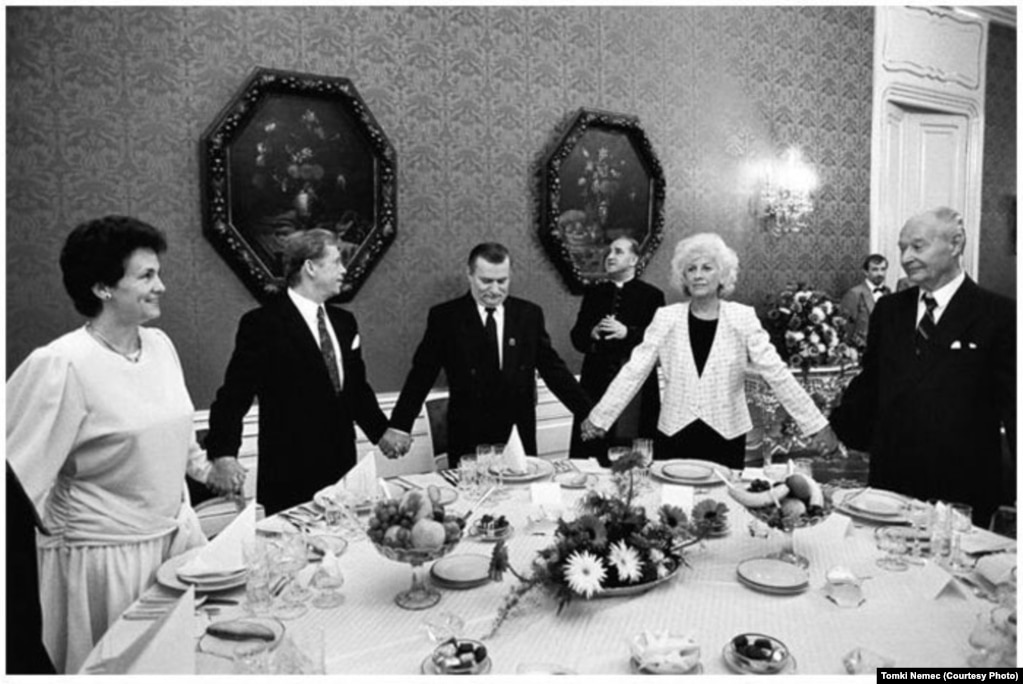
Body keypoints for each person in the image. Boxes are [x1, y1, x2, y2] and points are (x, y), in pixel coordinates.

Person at [5, 216, 240, 673]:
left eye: (158, 273)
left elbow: (179, 435)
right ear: (102, 288)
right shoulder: (61, 364)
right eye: (146, 275)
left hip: (177, 544)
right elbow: (14, 479)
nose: (162, 286)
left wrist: (208, 471)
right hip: (107, 564)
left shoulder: (159, 345)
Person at [580, 233, 839, 469]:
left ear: (722, 276)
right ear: (683, 277)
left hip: (726, 435)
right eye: (690, 269)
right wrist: (600, 417)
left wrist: (817, 425)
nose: (698, 275)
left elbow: (777, 373)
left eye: (707, 267)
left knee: (721, 513)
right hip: (674, 434)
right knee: (674, 512)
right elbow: (634, 371)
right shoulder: (666, 317)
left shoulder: (742, 317)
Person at [829, 208, 1015, 524]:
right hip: (890, 483)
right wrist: (834, 429)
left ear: (955, 244)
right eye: (902, 248)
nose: (906, 257)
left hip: (961, 489)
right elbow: (872, 382)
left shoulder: (1001, 314)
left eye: (918, 246)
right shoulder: (889, 310)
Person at [205, 229, 392, 516]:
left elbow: (355, 390)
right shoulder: (262, 324)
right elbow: (234, 395)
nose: (344, 270)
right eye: (337, 262)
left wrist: (382, 433)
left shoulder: (344, 322)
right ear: (310, 267)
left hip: (343, 466)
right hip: (290, 472)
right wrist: (223, 453)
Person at [381, 242, 592, 467]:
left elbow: (554, 370)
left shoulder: (528, 315)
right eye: (486, 281)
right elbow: (421, 375)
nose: (494, 290)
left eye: (502, 281)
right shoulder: (446, 317)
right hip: (468, 436)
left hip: (517, 435)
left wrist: (589, 412)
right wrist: (400, 425)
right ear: (470, 275)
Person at [568, 237, 664, 464]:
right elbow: (576, 337)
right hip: (596, 381)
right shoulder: (594, 293)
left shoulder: (652, 295)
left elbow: (661, 341)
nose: (610, 257)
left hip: (636, 385)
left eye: (618, 252)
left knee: (634, 455)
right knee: (593, 452)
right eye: (609, 252)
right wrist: (591, 332)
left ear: (634, 259)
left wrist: (627, 333)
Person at [839, 253, 890, 350]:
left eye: (883, 269)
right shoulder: (854, 293)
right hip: (863, 350)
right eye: (875, 269)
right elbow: (846, 328)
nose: (880, 273)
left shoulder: (888, 292)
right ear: (865, 272)